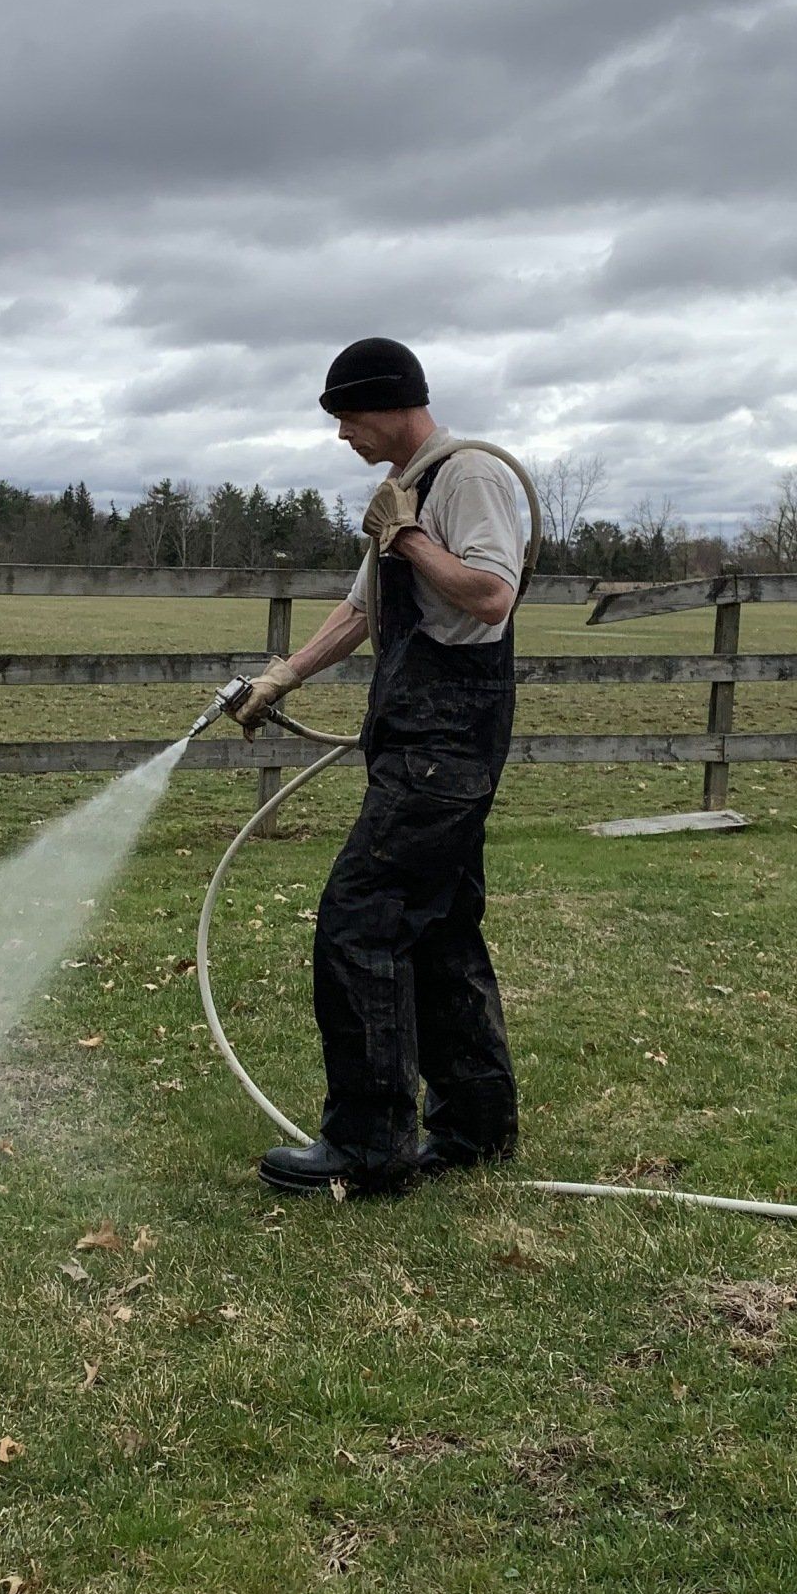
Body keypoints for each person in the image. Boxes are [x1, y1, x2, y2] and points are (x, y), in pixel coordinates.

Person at [233, 337, 525, 1196]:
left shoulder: (467, 476)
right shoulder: (413, 486)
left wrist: (405, 536)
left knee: (361, 919)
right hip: (421, 744)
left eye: (349, 417)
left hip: (446, 747)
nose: (343, 436)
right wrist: (284, 674)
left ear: (393, 403)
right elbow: (365, 608)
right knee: (437, 926)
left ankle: (368, 1145)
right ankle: (475, 1130)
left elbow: (490, 595)